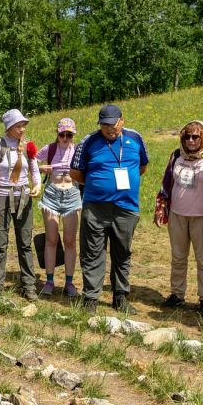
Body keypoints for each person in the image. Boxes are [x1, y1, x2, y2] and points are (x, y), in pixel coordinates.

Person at [70, 105, 149, 313]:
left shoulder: (135, 138)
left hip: (126, 208)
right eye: (104, 125)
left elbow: (142, 167)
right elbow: (75, 172)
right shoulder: (89, 141)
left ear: (122, 121)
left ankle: (120, 297)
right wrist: (98, 184)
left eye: (112, 124)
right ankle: (90, 298)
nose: (108, 129)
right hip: (95, 208)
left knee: (122, 253)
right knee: (92, 253)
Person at [156, 121, 203, 317]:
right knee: (178, 257)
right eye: (187, 137)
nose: (190, 141)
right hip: (177, 215)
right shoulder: (176, 156)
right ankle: (177, 294)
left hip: (202, 217)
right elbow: (166, 182)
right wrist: (161, 206)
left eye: (195, 137)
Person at [0, 109, 43, 299]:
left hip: (23, 198)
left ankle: (29, 286)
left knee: (25, 243)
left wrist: (37, 185)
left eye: (23, 125)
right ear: (9, 127)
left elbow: (34, 169)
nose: (22, 129)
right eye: (18, 126)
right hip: (2, 196)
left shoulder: (28, 146)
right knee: (0, 243)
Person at [36, 118, 82, 298]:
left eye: (69, 135)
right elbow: (30, 161)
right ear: (57, 133)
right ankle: (49, 281)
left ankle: (69, 283)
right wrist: (41, 168)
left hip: (72, 196)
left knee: (70, 240)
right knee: (51, 239)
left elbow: (87, 169)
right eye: (62, 134)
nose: (65, 138)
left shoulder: (77, 151)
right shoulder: (50, 148)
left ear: (73, 136)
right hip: (51, 196)